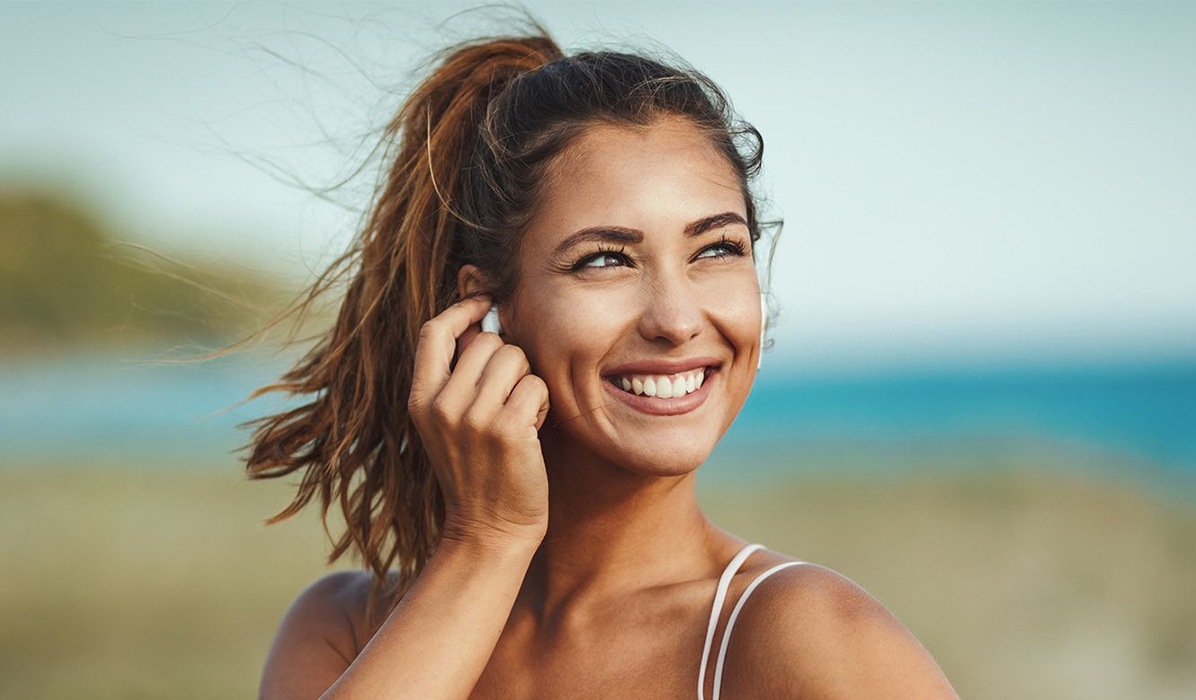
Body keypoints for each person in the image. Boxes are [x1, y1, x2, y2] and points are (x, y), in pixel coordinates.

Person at [245, 22, 958, 700]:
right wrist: (487, 543)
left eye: (716, 249)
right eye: (605, 260)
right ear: (487, 310)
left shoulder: (806, 639)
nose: (677, 321)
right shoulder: (345, 630)